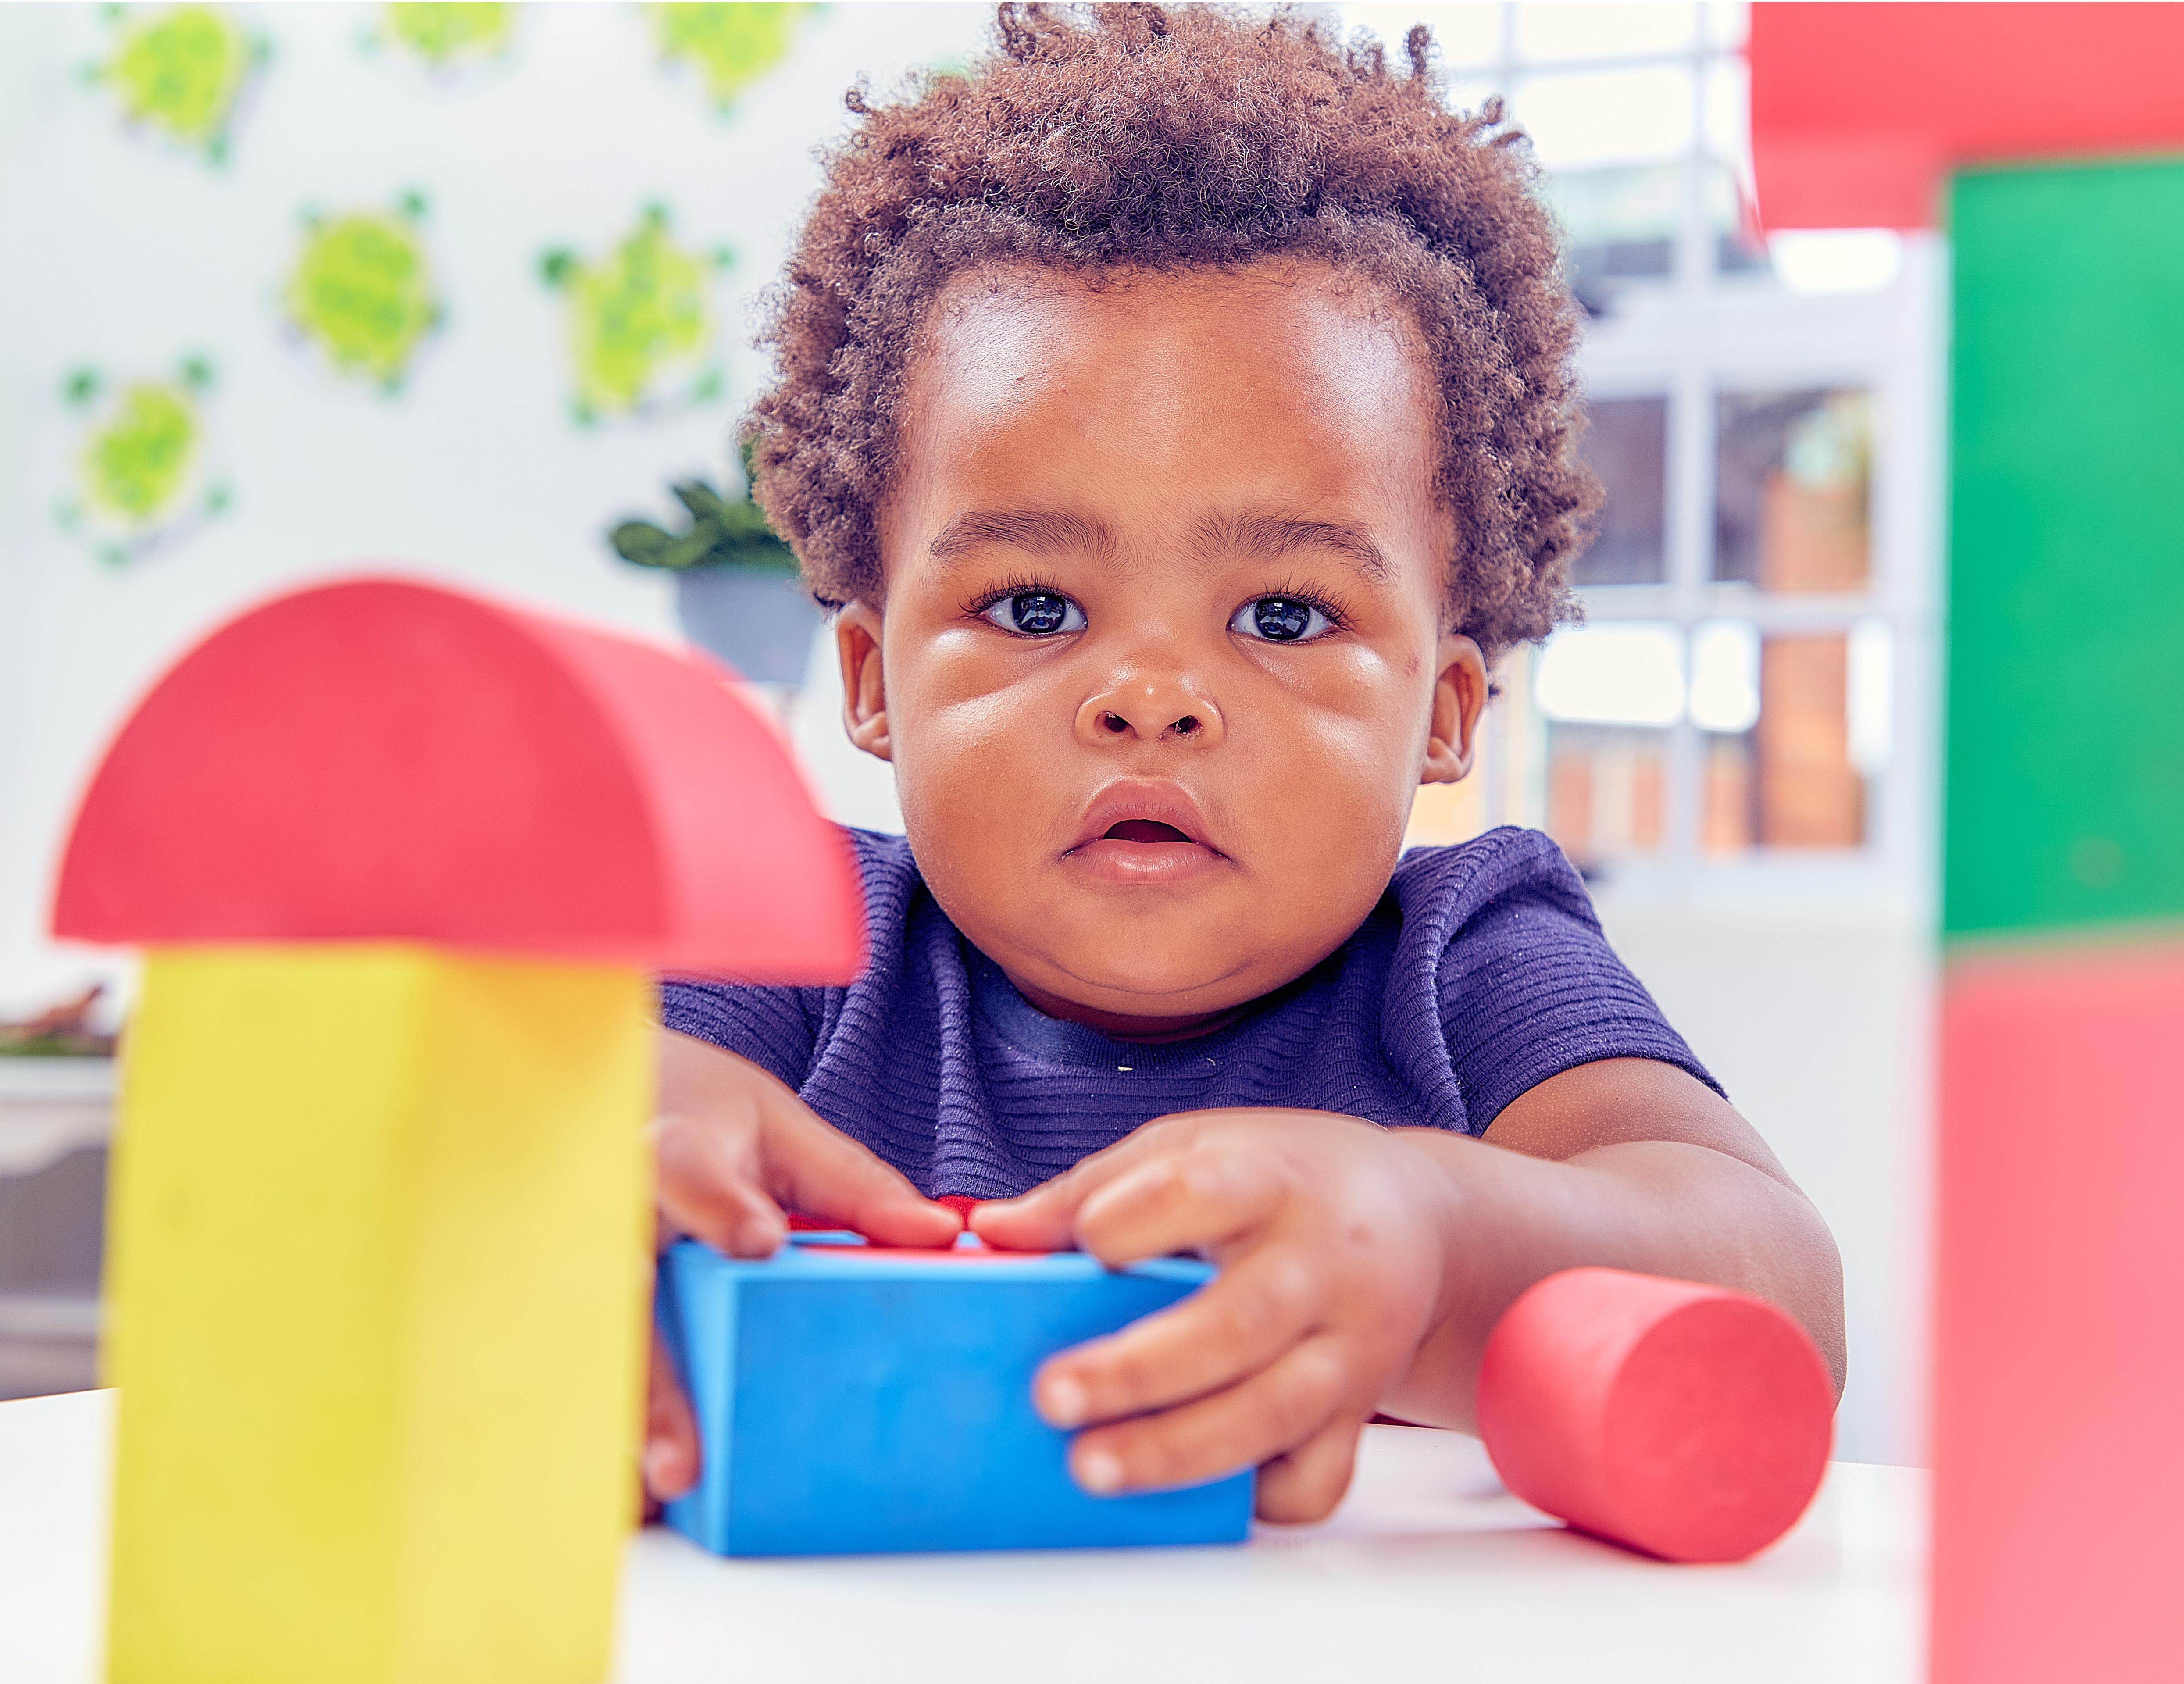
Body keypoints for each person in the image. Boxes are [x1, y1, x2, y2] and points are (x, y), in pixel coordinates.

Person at [644, 2, 1843, 1526]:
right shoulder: (792, 941)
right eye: (1035, 608)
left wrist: (1440, 1242)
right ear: (876, 681)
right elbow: (516, 1156)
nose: (1151, 700)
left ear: (1445, 713)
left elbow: (1786, 1300)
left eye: (1283, 615)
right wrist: (587, 1140)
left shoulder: (1468, 959)